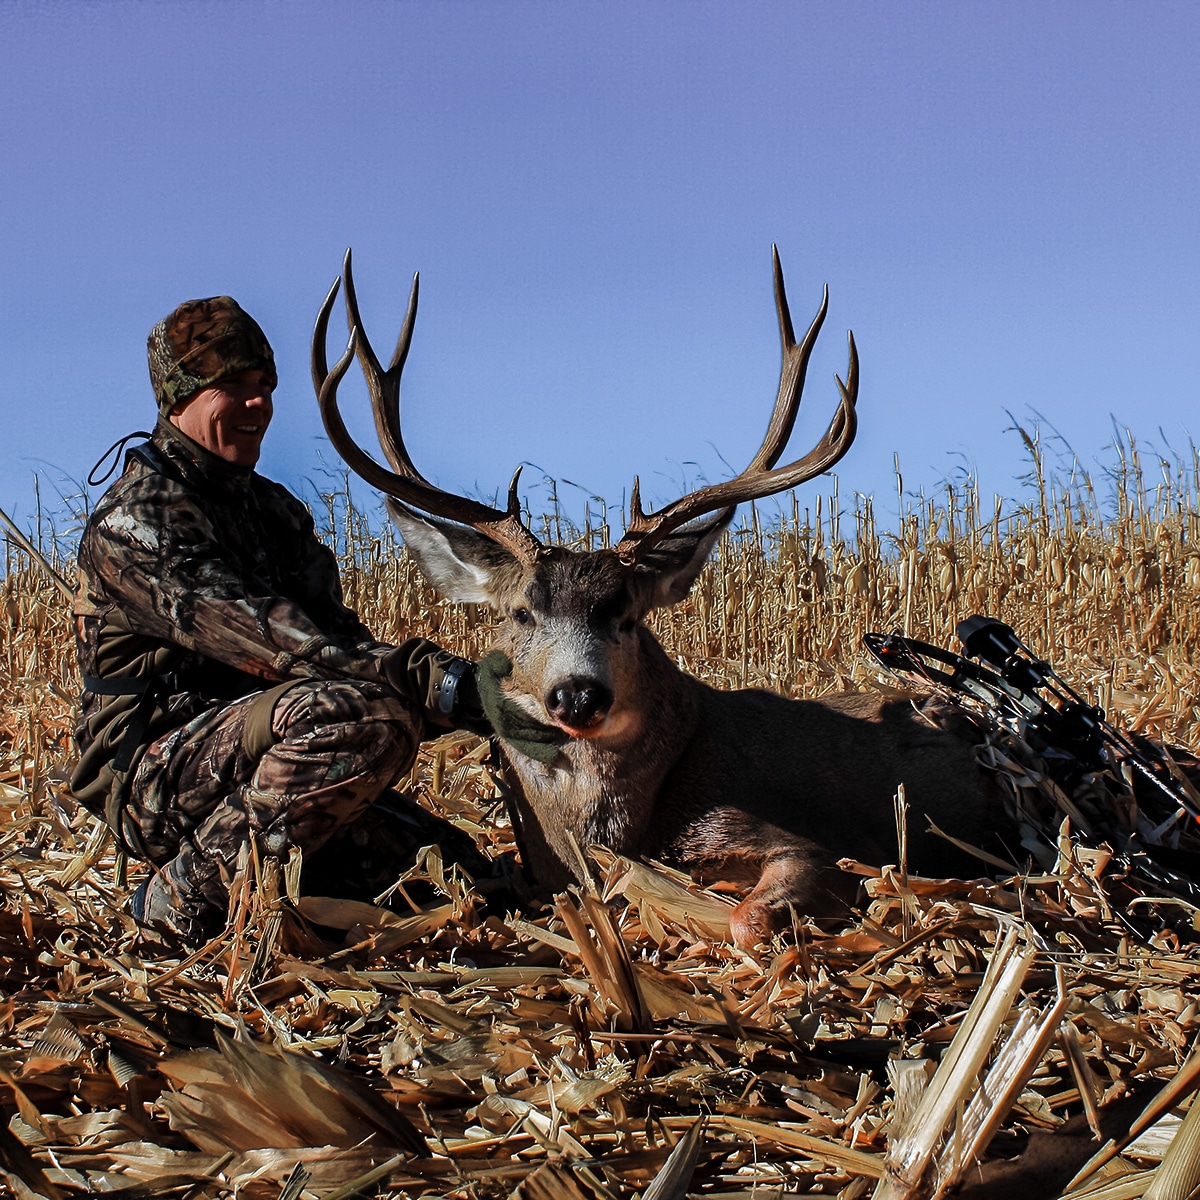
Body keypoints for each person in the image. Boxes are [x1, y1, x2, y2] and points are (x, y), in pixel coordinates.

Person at [71, 296, 491, 945]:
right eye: (231, 385)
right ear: (177, 399)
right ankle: (177, 899)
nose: (257, 403)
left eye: (264, 385)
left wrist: (485, 701)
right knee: (366, 716)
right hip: (155, 777)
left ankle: (287, 875)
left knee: (461, 883)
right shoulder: (136, 523)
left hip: (268, 756)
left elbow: (344, 645)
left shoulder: (275, 513)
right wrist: (435, 684)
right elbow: (272, 639)